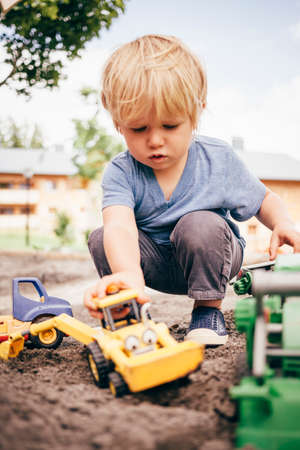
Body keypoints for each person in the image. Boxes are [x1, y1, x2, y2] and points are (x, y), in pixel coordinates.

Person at [84, 34, 300, 345]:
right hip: (156, 265)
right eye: (139, 128)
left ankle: (207, 312)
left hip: (215, 256)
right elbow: (119, 226)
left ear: (195, 114)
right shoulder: (122, 171)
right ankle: (127, 312)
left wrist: (283, 223)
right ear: (118, 123)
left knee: (198, 223)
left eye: (170, 126)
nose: (155, 140)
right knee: (102, 237)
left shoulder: (217, 159)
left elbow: (263, 198)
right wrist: (128, 275)